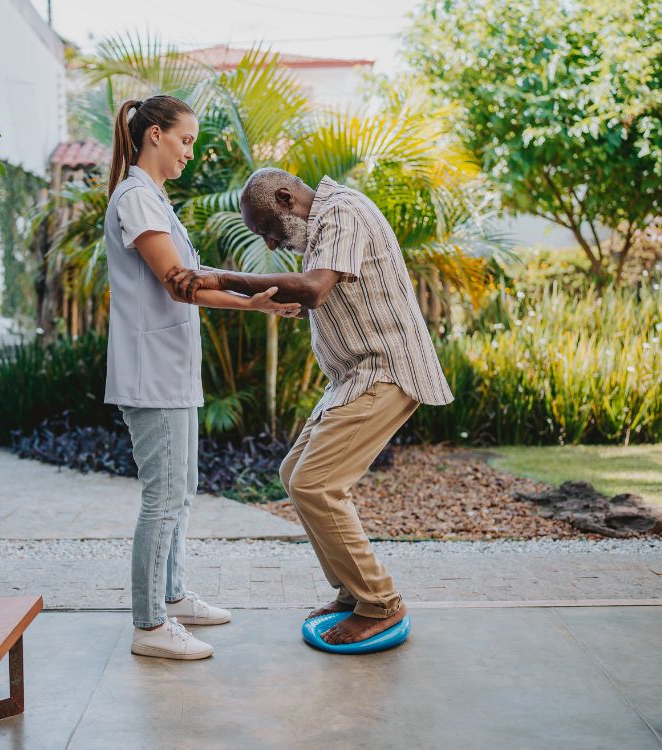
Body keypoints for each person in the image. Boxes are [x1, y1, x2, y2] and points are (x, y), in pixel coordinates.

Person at [167, 167, 454, 645]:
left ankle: (380, 601)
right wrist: (267, 300)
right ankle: (351, 591)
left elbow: (315, 288)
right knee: (293, 474)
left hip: (384, 369)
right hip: (355, 376)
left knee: (316, 484)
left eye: (268, 230)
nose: (272, 243)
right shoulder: (323, 226)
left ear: (285, 197)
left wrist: (221, 277)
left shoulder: (341, 212)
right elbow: (321, 297)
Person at [105, 101, 301, 660]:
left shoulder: (154, 198)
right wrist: (253, 303)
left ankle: (172, 595)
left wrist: (255, 292)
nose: (191, 153)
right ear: (155, 135)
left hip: (170, 370)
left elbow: (191, 276)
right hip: (151, 373)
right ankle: (150, 625)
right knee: (163, 497)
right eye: (186, 140)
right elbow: (178, 283)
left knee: (181, 490)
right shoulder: (136, 197)